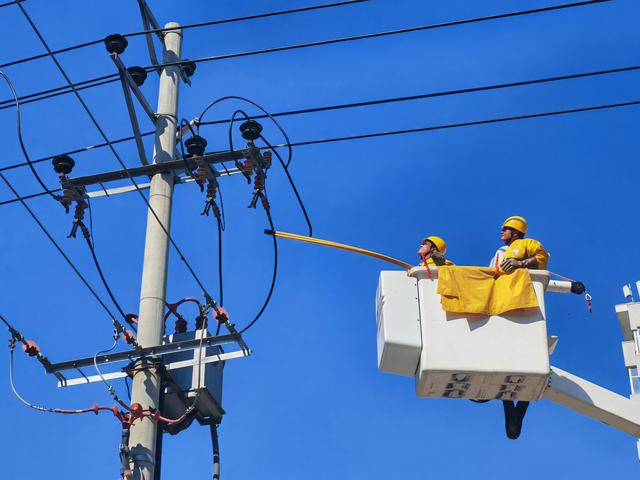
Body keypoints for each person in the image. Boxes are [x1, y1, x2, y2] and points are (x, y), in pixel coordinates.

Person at [492, 215, 549, 439]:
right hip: (503, 303)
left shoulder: (528, 244)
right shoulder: (499, 252)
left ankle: (518, 414)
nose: (501, 233)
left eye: (505, 229)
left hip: (524, 301)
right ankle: (511, 414)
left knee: (528, 357)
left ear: (515, 232)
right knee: (505, 356)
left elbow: (542, 258)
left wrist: (521, 263)